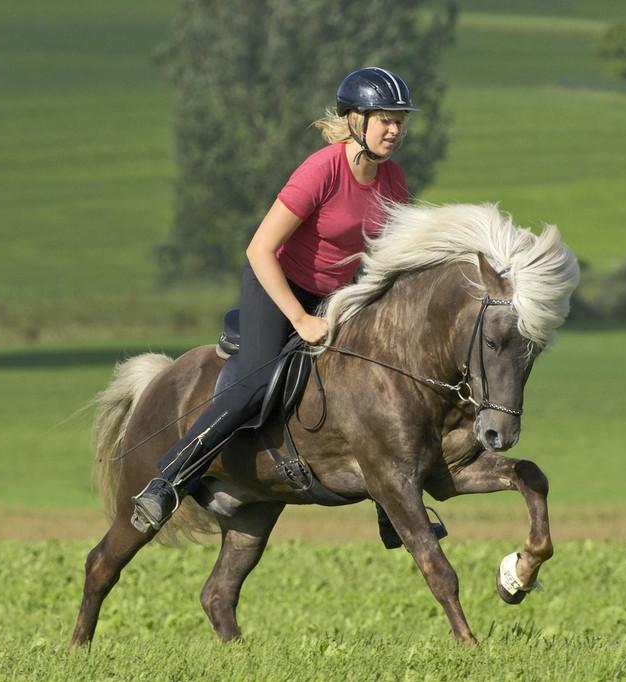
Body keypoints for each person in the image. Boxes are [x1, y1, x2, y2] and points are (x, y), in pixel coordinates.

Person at [131, 67, 416, 533]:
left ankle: (393, 503)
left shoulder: (394, 180)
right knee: (256, 382)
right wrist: (300, 319)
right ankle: (169, 479)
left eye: (400, 120)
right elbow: (259, 250)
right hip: (277, 283)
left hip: (336, 294)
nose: (395, 130)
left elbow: (385, 257)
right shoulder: (322, 168)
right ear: (355, 120)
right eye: (385, 119)